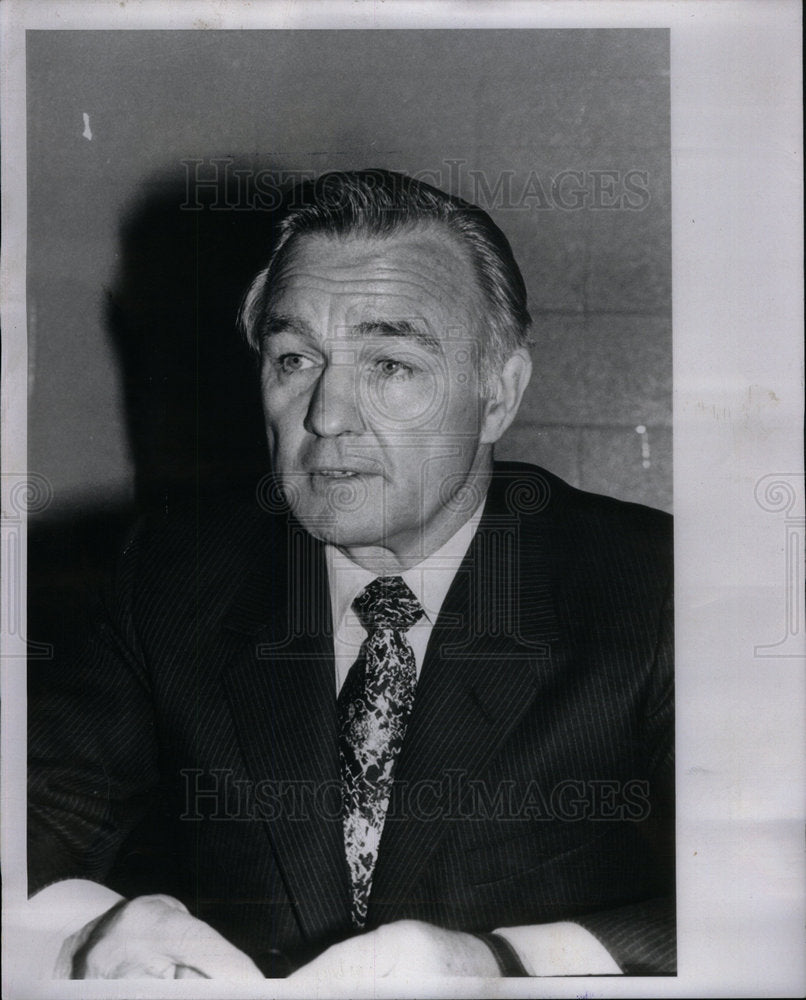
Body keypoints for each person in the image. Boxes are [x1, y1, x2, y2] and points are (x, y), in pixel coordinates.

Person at [27, 169, 674, 979]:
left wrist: (503, 964)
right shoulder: (170, 573)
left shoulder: (655, 590)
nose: (326, 416)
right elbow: (34, 819)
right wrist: (80, 933)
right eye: (295, 357)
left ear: (498, 393)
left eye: (391, 364)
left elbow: (759, 900)